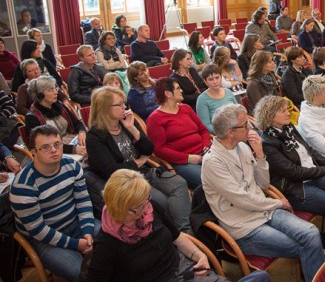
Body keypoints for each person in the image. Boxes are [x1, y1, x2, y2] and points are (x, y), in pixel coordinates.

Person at [202, 104, 325, 282]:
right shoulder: (213, 162)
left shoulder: (243, 147)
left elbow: (263, 183)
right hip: (244, 226)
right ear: (230, 132)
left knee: (311, 233)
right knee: (304, 245)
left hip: (264, 210)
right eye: (244, 125)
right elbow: (242, 200)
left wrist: (259, 155)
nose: (250, 127)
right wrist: (277, 203)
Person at [86, 169, 271, 282]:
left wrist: (200, 255)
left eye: (146, 201)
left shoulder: (151, 209)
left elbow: (178, 237)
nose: (145, 211)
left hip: (183, 271)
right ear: (120, 209)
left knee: (262, 277)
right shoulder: (106, 244)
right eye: (138, 207)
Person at [86, 86, 192, 232]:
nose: (124, 107)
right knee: (161, 201)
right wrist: (137, 162)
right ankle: (175, 234)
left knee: (180, 183)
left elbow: (149, 149)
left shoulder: (127, 122)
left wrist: (132, 129)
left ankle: (185, 231)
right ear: (104, 108)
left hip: (145, 171)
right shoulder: (95, 136)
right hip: (127, 182)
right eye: (119, 104)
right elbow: (111, 170)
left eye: (124, 103)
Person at [255, 95, 325, 241]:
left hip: (311, 173)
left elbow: (309, 150)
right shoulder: (268, 143)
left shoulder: (288, 127)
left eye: (287, 109)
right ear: (270, 116)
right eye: (283, 111)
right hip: (296, 187)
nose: (288, 113)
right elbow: (293, 172)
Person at [10, 125, 100, 282]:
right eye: (45, 147)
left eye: (57, 144)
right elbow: (38, 230)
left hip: (74, 222)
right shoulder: (23, 186)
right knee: (78, 271)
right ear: (33, 152)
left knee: (116, 239)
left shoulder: (72, 166)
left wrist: (87, 230)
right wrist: (76, 244)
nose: (54, 150)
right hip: (44, 238)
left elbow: (83, 200)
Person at [147, 78, 210, 188]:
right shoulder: (155, 119)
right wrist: (187, 158)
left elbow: (203, 130)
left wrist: (206, 145)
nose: (181, 91)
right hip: (183, 162)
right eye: (178, 88)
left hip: (205, 153)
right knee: (210, 180)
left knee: (231, 170)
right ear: (167, 93)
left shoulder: (186, 108)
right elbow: (159, 150)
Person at [25, 76, 87, 157]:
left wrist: (81, 132)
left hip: (73, 142)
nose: (56, 92)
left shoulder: (60, 106)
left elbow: (77, 123)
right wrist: (73, 149)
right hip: (53, 152)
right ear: (40, 95)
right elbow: (44, 145)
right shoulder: (32, 117)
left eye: (55, 89)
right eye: (51, 90)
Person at [196, 64, 238, 134]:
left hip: (237, 128)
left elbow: (239, 113)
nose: (215, 82)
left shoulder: (228, 92)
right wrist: (226, 132)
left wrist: (248, 127)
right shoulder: (202, 100)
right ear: (205, 82)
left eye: (217, 77)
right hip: (222, 135)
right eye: (211, 79)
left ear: (221, 77)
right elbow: (205, 125)